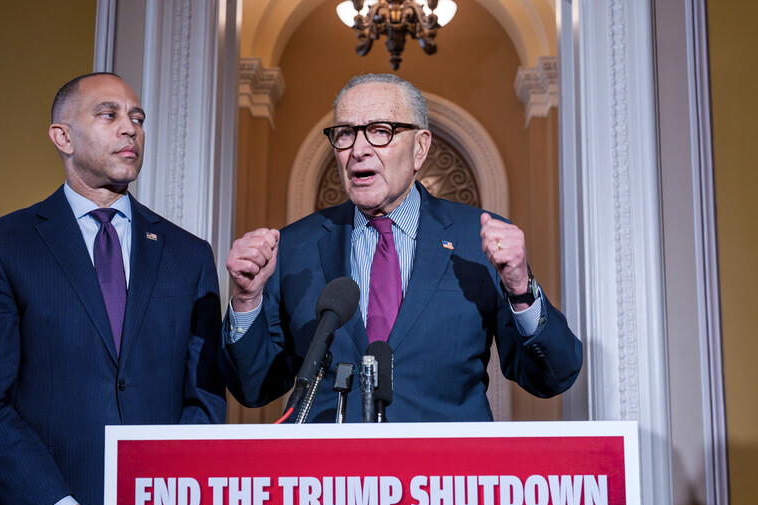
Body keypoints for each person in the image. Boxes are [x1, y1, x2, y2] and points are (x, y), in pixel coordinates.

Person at [222, 73, 582, 423]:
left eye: (380, 131)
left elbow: (551, 376)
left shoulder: (477, 238)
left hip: (445, 475)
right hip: (329, 476)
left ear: (420, 147)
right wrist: (246, 299)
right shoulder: (295, 247)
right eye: (345, 134)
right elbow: (254, 387)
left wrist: (520, 288)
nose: (358, 150)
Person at [0, 73, 227, 505]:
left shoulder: (190, 253)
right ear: (62, 136)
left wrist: (164, 498)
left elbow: (203, 398)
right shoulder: (2, 245)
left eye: (137, 118)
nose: (131, 129)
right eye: (110, 114)